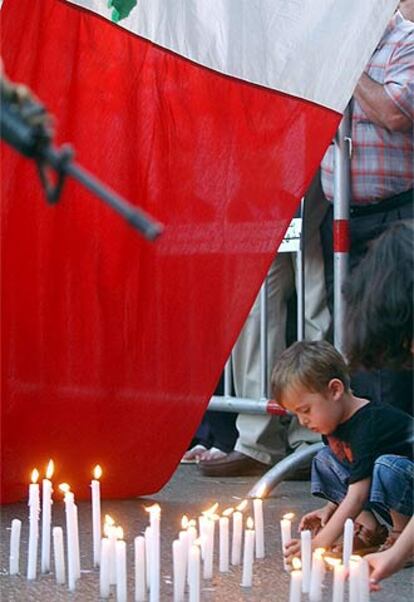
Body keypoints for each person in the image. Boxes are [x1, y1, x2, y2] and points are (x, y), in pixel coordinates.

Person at [198, 173, 331, 477]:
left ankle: (313, 433)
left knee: (311, 295)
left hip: (303, 145)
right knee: (256, 304)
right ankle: (260, 441)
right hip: (260, 157)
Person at [320, 0, 414, 413]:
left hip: (394, 217)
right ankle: (364, 441)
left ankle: (397, 450)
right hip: (341, 216)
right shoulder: (326, 46)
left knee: (393, 335)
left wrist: (350, 65)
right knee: (354, 337)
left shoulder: (405, 41)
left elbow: (395, 112)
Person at [270, 340, 413, 558]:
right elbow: (352, 470)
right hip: (390, 496)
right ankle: (369, 529)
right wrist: (330, 508)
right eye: (296, 414)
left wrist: (318, 543)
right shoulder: (333, 422)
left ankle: (404, 539)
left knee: (386, 467)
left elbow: (357, 495)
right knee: (325, 459)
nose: (302, 421)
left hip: (405, 486)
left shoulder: (369, 423)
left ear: (335, 390)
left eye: (305, 410)